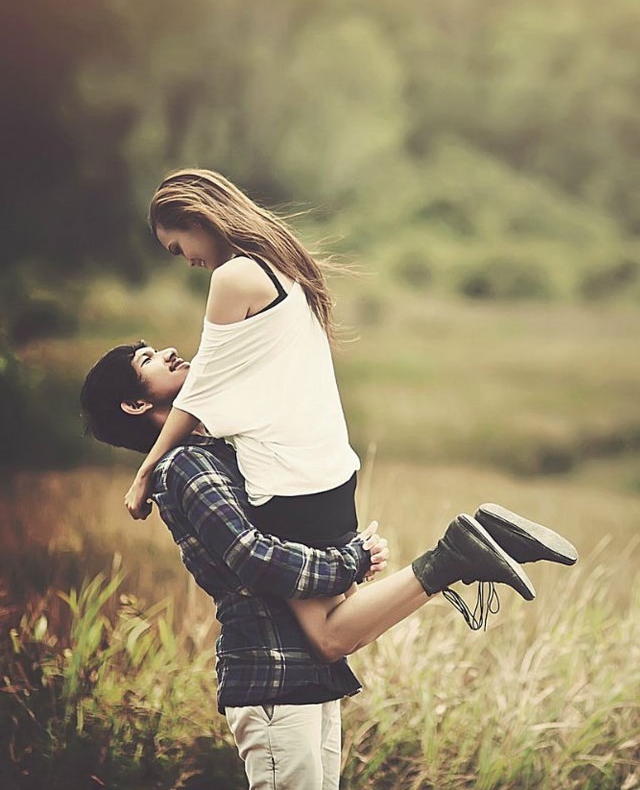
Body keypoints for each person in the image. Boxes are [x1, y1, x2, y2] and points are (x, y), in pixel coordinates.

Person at [81, 340, 577, 790]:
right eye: (147, 360)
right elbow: (254, 557)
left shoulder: (216, 449)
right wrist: (348, 561)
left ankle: (463, 553)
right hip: (270, 673)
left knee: (334, 641)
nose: (167, 351)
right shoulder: (185, 465)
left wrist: (343, 554)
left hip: (306, 669)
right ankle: (457, 555)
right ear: (136, 403)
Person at [123, 169, 576, 647]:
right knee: (344, 616)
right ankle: (489, 537)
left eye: (178, 248)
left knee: (330, 637)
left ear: (197, 218)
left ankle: (458, 553)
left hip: (288, 481)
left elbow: (201, 391)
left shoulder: (233, 277)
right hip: (330, 469)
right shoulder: (277, 263)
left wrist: (143, 472)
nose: (186, 261)